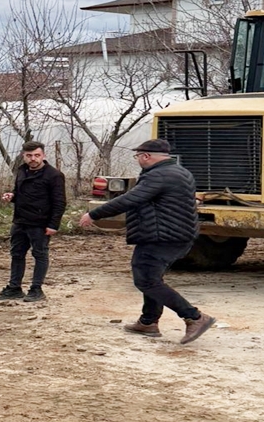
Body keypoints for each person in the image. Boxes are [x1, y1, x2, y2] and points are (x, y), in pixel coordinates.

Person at [78, 139, 216, 343]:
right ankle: (148, 321)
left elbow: (130, 199)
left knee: (145, 280)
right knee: (151, 279)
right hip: (174, 235)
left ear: (146, 156)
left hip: (161, 237)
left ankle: (194, 317)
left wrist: (94, 214)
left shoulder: (159, 176)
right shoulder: (180, 172)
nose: (138, 160)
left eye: (138, 156)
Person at [0, 141, 67, 302]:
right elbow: (19, 192)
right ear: (23, 156)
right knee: (17, 254)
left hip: (40, 223)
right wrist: (12, 196)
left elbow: (60, 202)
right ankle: (14, 288)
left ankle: (36, 289)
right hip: (20, 221)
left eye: (36, 155)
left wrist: (53, 225)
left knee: (40, 254)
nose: (33, 159)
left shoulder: (54, 175)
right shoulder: (21, 171)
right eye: (29, 156)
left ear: (43, 155)